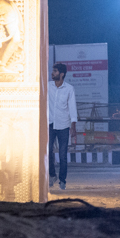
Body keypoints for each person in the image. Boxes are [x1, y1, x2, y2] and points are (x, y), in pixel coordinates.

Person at [47, 62, 77, 191]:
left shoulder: (69, 88)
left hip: (64, 125)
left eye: (55, 71)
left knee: (63, 155)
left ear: (62, 74)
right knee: (48, 152)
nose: (52, 73)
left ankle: (62, 180)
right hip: (50, 124)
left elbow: (72, 107)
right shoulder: (48, 86)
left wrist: (73, 126)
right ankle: (52, 175)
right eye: (53, 71)